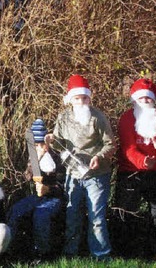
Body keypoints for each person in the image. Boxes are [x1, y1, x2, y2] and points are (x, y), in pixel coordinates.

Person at [44, 74, 116, 260]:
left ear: (89, 98)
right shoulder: (64, 118)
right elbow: (59, 144)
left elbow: (111, 144)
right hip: (73, 175)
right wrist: (51, 140)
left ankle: (101, 255)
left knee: (97, 218)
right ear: (70, 100)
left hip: (96, 175)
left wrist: (99, 157)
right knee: (72, 215)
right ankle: (71, 253)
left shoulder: (98, 118)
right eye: (77, 98)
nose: (81, 101)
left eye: (84, 98)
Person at [113, 78, 156, 261]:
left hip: (155, 172)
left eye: (148, 99)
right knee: (124, 212)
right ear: (134, 101)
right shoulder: (126, 118)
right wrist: (143, 161)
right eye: (141, 99)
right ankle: (125, 252)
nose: (145, 102)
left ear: (154, 100)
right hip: (130, 171)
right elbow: (128, 148)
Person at [7, 119, 64, 259]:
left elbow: (64, 186)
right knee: (16, 210)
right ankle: (10, 248)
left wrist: (49, 189)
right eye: (36, 145)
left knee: (41, 215)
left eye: (41, 144)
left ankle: (42, 252)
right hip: (37, 197)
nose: (39, 147)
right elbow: (27, 177)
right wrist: (35, 161)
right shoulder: (33, 157)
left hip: (55, 198)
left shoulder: (58, 158)